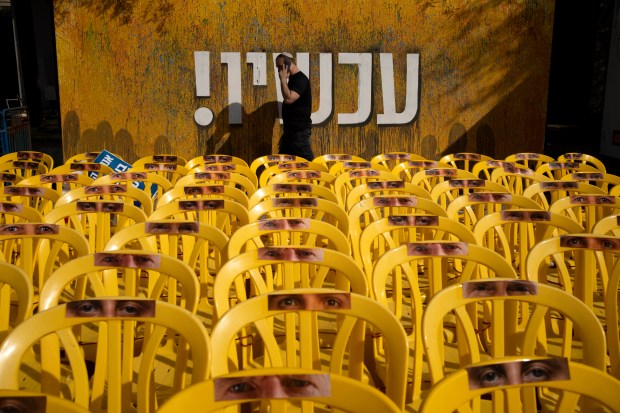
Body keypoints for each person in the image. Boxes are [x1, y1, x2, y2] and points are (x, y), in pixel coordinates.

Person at [275, 53, 314, 161]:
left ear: (287, 65)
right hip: (290, 132)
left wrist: (282, 79)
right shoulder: (293, 79)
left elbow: (289, 99)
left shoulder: (300, 79)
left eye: (280, 67)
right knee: (283, 164)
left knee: (308, 162)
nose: (279, 71)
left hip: (299, 132)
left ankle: (320, 176)